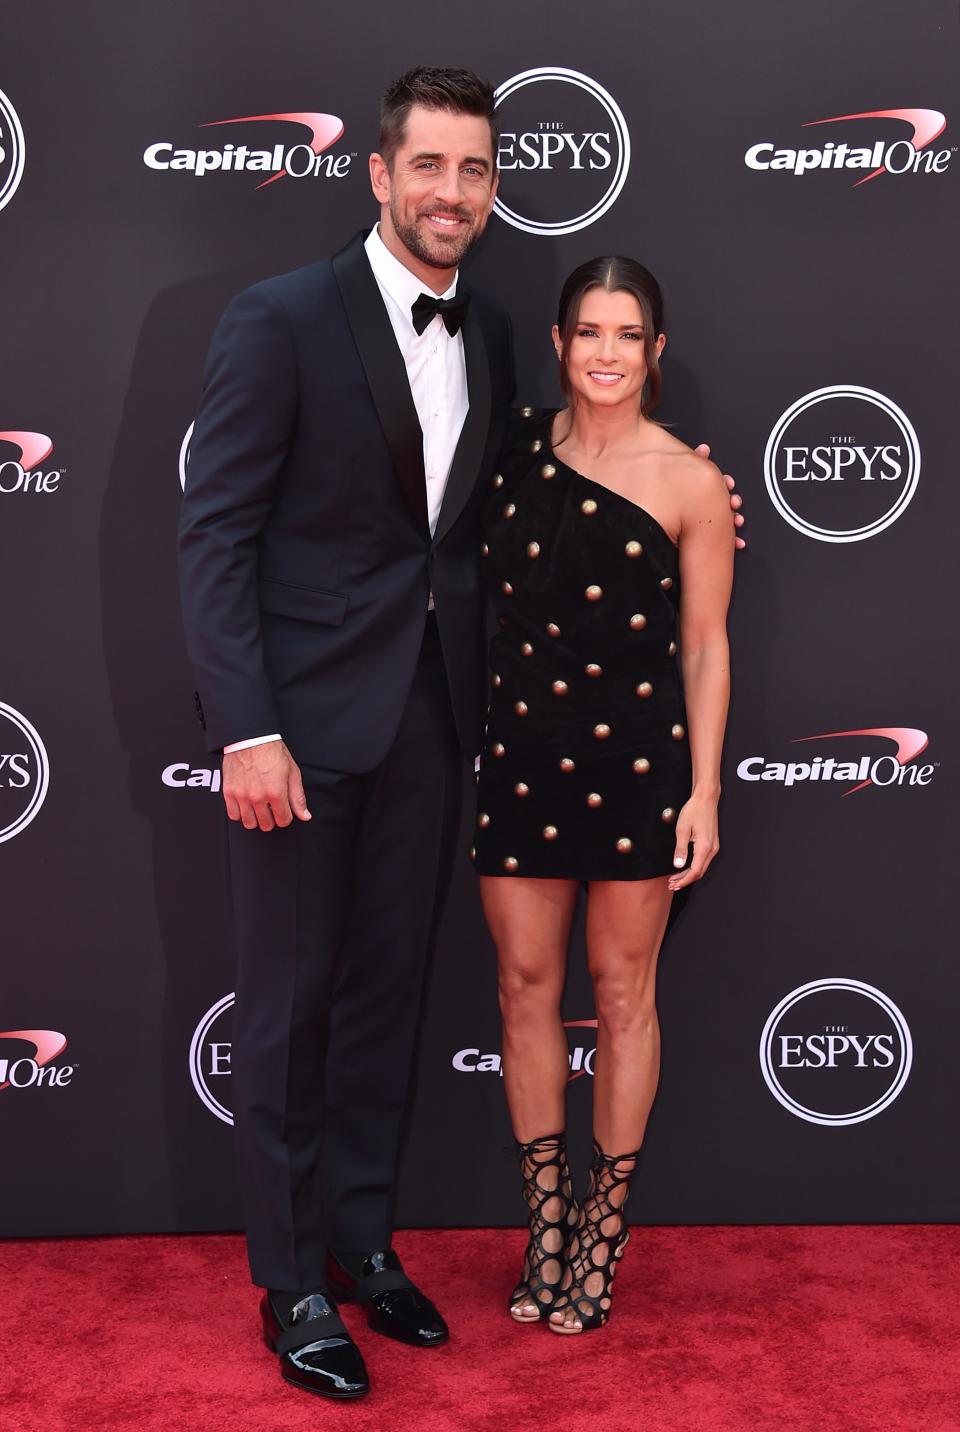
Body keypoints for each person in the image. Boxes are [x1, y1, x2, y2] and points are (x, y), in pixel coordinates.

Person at [178, 68, 515, 1401]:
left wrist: (677, 496)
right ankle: (291, 1279)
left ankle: (365, 1241)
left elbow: (489, 516)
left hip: (434, 719)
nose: (451, 194)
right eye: (428, 167)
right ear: (377, 174)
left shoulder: (488, 328)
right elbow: (214, 538)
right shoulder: (281, 319)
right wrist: (244, 728)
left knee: (386, 1000)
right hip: (299, 733)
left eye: (475, 172)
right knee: (287, 1011)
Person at [472, 256, 735, 1334]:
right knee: (523, 990)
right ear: (559, 340)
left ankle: (601, 1233)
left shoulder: (689, 481)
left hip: (637, 766)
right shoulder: (511, 452)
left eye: (629, 334)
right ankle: (545, 1222)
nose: (608, 353)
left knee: (624, 997)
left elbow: (708, 646)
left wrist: (705, 788)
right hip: (523, 755)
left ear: (657, 350)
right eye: (590, 332)